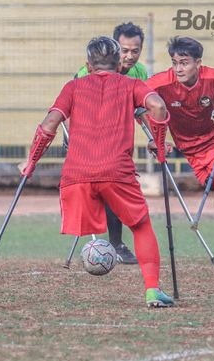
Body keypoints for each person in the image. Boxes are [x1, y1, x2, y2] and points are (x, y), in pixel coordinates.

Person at [19, 36, 174, 308]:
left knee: (116, 218)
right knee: (140, 225)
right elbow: (158, 107)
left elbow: (49, 124)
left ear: (88, 65)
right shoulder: (132, 84)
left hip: (77, 174)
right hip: (117, 171)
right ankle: (152, 290)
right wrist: (159, 147)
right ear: (118, 63)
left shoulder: (73, 87)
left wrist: (31, 163)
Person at [146, 36, 214, 274]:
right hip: (190, 150)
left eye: (184, 62)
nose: (178, 68)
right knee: (213, 187)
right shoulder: (161, 82)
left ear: (198, 63)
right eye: (175, 62)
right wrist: (155, 138)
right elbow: (139, 103)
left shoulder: (213, 77)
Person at [71, 22, 148, 264]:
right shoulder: (86, 73)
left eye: (135, 51)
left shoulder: (140, 73)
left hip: (118, 141)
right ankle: (105, 240)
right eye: (124, 50)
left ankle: (116, 242)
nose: (130, 56)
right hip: (88, 138)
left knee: (114, 190)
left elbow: (143, 109)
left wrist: (156, 138)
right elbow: (74, 107)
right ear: (115, 50)